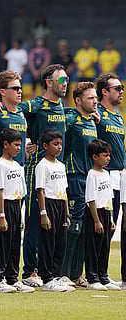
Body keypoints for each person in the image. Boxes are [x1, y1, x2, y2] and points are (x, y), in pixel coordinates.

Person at [0, 64, 68, 288]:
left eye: (66, 79)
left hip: (56, 172)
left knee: (54, 225)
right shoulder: (34, 105)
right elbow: (11, 112)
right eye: (61, 80)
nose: (65, 84)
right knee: (35, 223)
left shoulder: (63, 107)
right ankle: (30, 271)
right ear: (49, 82)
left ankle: (50, 272)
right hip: (36, 169)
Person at [0, 71, 27, 284]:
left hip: (19, 174)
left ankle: (11, 275)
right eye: (15, 88)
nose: (20, 91)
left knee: (14, 226)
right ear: (2, 92)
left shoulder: (21, 115)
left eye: (20, 88)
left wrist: (29, 147)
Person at [61, 82, 98, 288]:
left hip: (91, 178)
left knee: (85, 227)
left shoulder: (92, 121)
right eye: (90, 98)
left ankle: (77, 274)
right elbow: (54, 135)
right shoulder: (70, 119)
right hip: (74, 176)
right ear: (78, 100)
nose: (95, 101)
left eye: (95, 98)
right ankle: (64, 273)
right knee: (74, 226)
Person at [0, 128, 33, 293]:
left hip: (16, 206)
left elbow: (21, 192)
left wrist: (20, 215)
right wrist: (1, 216)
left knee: (15, 244)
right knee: (2, 244)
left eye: (20, 145)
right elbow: (0, 191)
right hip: (5, 207)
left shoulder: (16, 165)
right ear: (5, 144)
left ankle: (12, 278)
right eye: (15, 145)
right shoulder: (1, 165)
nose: (18, 148)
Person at [35, 129, 72, 292]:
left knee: (60, 242)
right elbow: (41, 190)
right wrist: (43, 214)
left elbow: (64, 190)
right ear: (45, 146)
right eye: (55, 144)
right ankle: (46, 278)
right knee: (48, 243)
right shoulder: (42, 166)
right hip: (48, 205)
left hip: (60, 205)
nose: (59, 147)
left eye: (60, 144)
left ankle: (56, 276)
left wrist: (67, 212)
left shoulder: (61, 166)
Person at [85, 139, 119, 291]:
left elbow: (108, 197)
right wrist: (96, 220)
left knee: (105, 245)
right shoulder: (92, 174)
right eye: (105, 155)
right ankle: (92, 278)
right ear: (95, 157)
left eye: (109, 155)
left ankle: (103, 276)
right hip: (95, 213)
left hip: (106, 212)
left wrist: (110, 218)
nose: (108, 158)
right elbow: (91, 199)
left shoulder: (106, 174)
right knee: (94, 246)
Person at [95, 73, 125, 243]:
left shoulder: (118, 116)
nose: (121, 92)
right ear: (105, 92)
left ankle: (101, 268)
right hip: (104, 173)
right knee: (103, 223)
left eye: (122, 88)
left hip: (119, 175)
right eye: (117, 88)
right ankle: (94, 269)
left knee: (112, 224)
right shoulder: (96, 111)